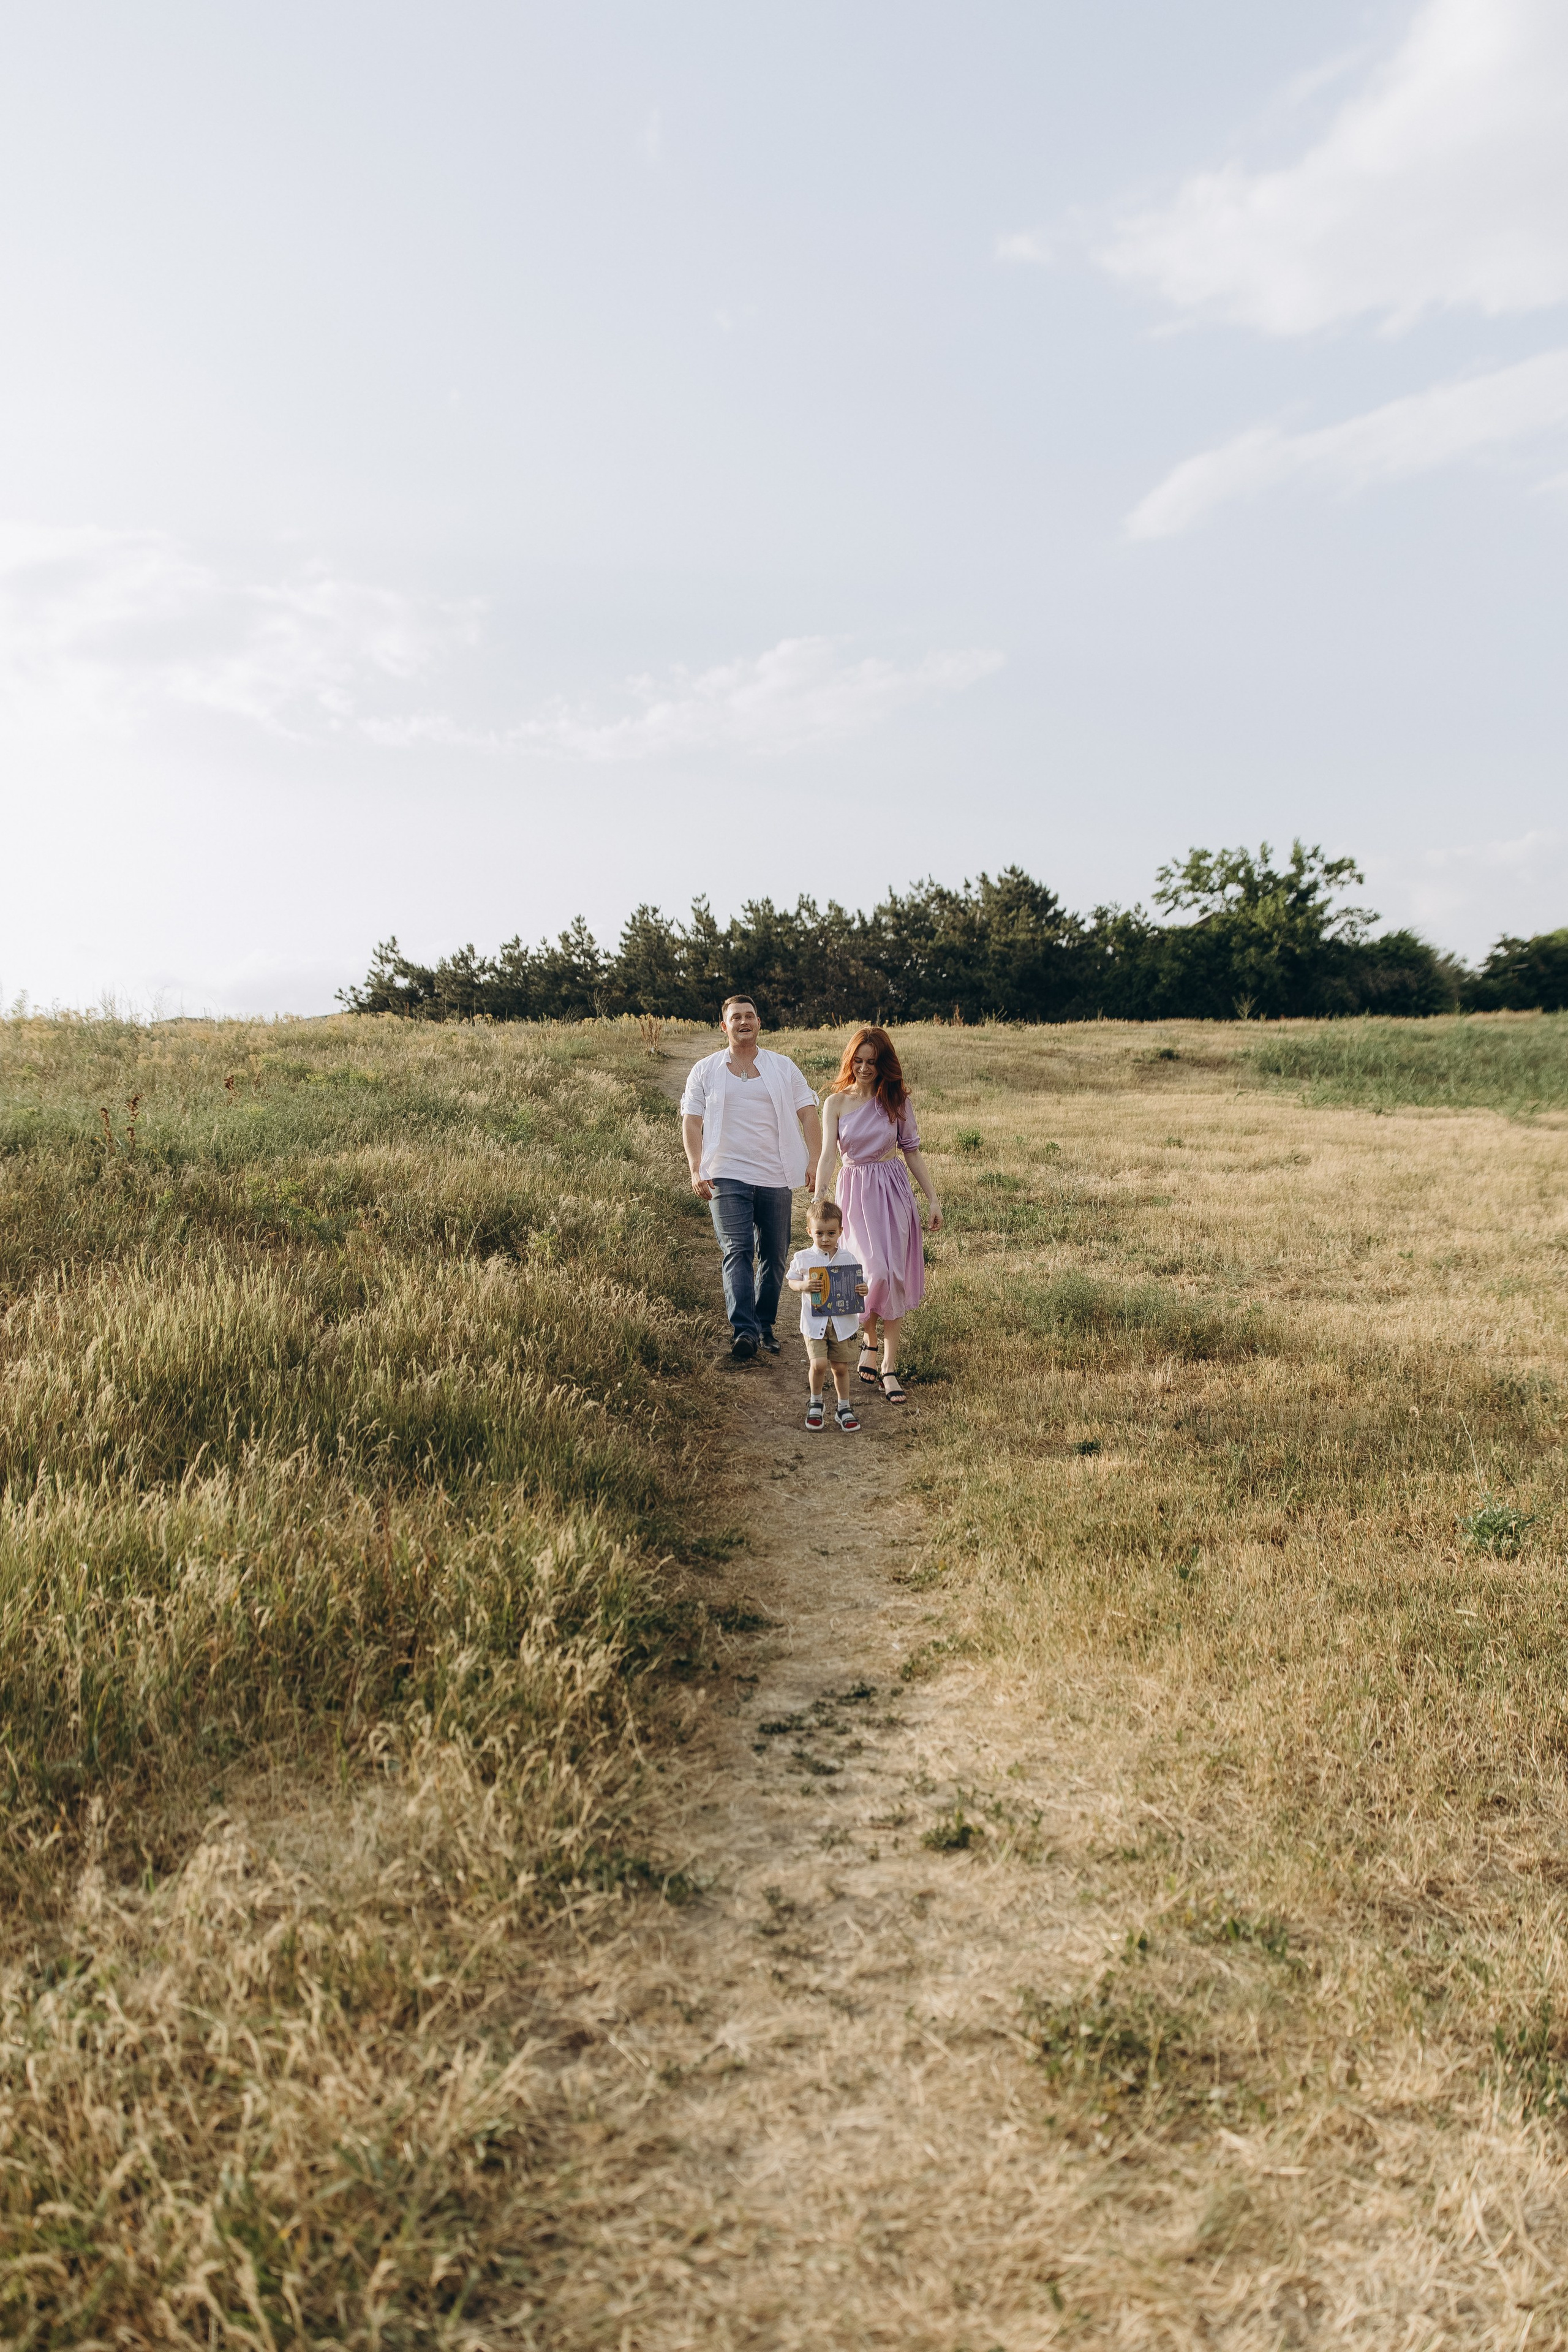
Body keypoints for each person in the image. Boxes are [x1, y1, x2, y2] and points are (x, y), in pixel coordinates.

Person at [680, 995, 822, 1362]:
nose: (743, 1022)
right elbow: (692, 1120)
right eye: (735, 1018)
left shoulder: (783, 1067)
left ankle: (764, 1324)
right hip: (726, 1174)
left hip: (775, 1174)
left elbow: (808, 1113)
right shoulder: (705, 1070)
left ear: (759, 1022)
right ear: (724, 1026)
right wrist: (696, 1167)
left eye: (749, 1016)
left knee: (774, 1256)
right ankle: (744, 1331)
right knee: (737, 1251)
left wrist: (815, 1160)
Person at [814, 1025, 941, 1404]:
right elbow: (827, 1156)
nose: (865, 1067)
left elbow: (912, 1152)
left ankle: (888, 1364)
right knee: (867, 1273)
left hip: (892, 1191)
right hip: (854, 1193)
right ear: (850, 1059)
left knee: (892, 1273)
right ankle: (869, 1342)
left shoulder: (896, 1100)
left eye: (873, 1061)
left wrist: (932, 1198)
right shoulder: (835, 1103)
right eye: (859, 1060)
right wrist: (821, 1200)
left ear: (883, 1063)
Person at [785, 1198, 867, 1433]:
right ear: (810, 1231)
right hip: (815, 1324)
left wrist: (863, 1289)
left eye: (831, 1233)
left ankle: (844, 1408)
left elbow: (859, 1284)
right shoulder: (803, 1258)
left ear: (841, 1231)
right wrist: (803, 1286)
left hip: (843, 1325)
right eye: (819, 1233)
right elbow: (791, 1281)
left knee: (840, 1368)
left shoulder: (848, 1259)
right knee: (819, 1364)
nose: (825, 1239)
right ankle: (816, 1402)